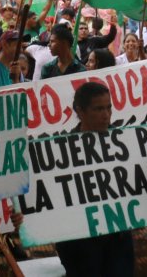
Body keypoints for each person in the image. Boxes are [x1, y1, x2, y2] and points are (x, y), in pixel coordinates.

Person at [53, 82, 134, 275]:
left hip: (118, 240)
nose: (106, 114)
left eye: (108, 108)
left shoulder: (128, 142)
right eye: (98, 109)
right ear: (80, 112)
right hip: (78, 244)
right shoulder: (59, 151)